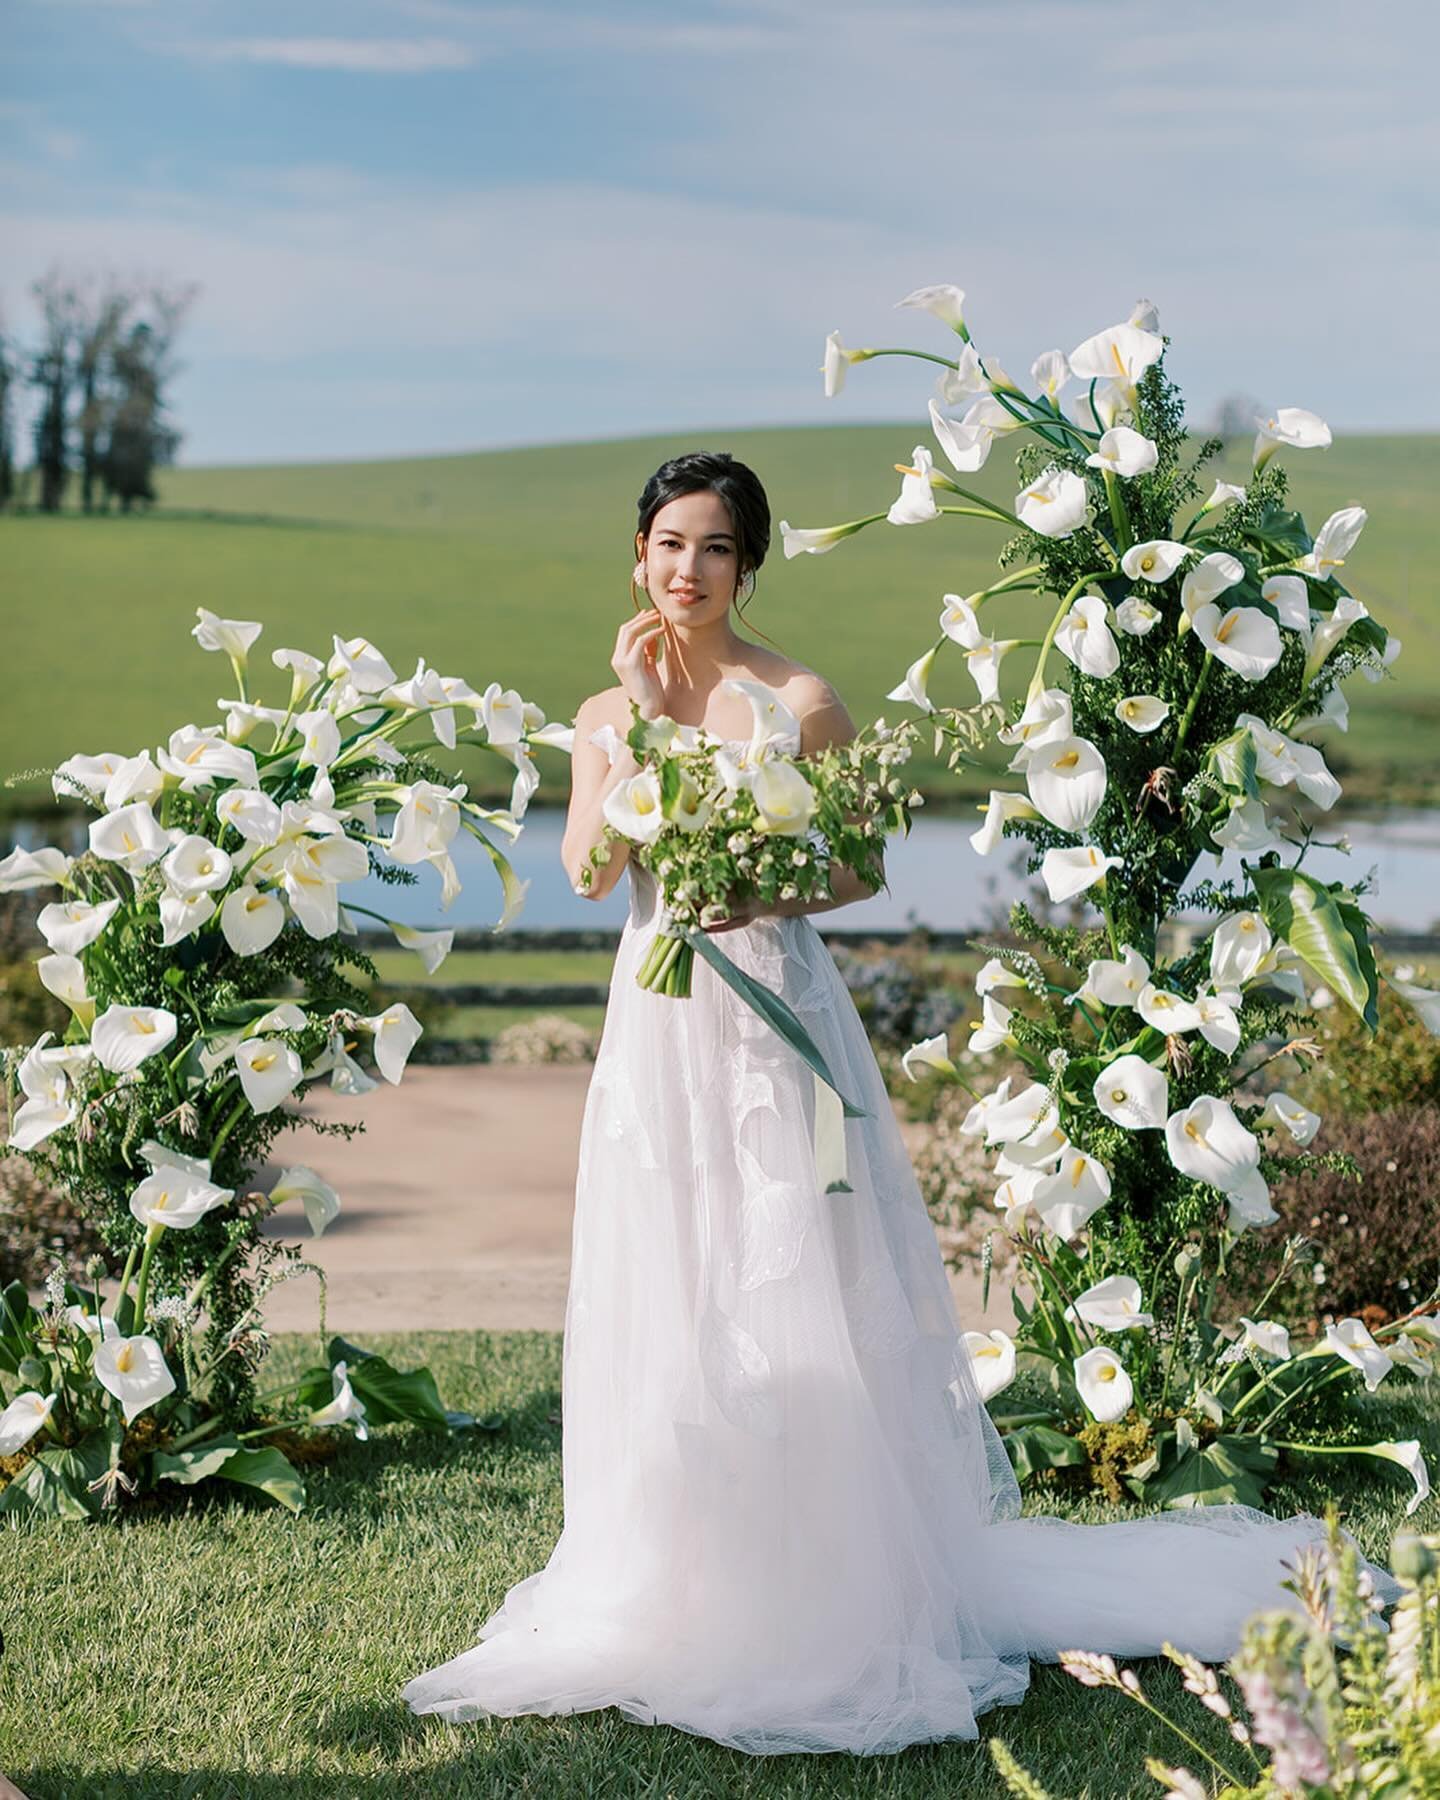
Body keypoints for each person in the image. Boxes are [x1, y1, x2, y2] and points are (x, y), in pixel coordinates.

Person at [402, 451, 1372, 1757]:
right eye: (669, 545)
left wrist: (761, 895)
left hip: (775, 1027)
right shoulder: (602, 709)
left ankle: (821, 1585)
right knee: (670, 1277)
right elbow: (588, 870)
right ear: (638, 556)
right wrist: (636, 721)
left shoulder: (799, 699)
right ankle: (670, 1565)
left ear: (751, 564)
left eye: (716, 548)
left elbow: (855, 866)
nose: (688, 570)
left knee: (788, 1272)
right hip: (655, 1030)